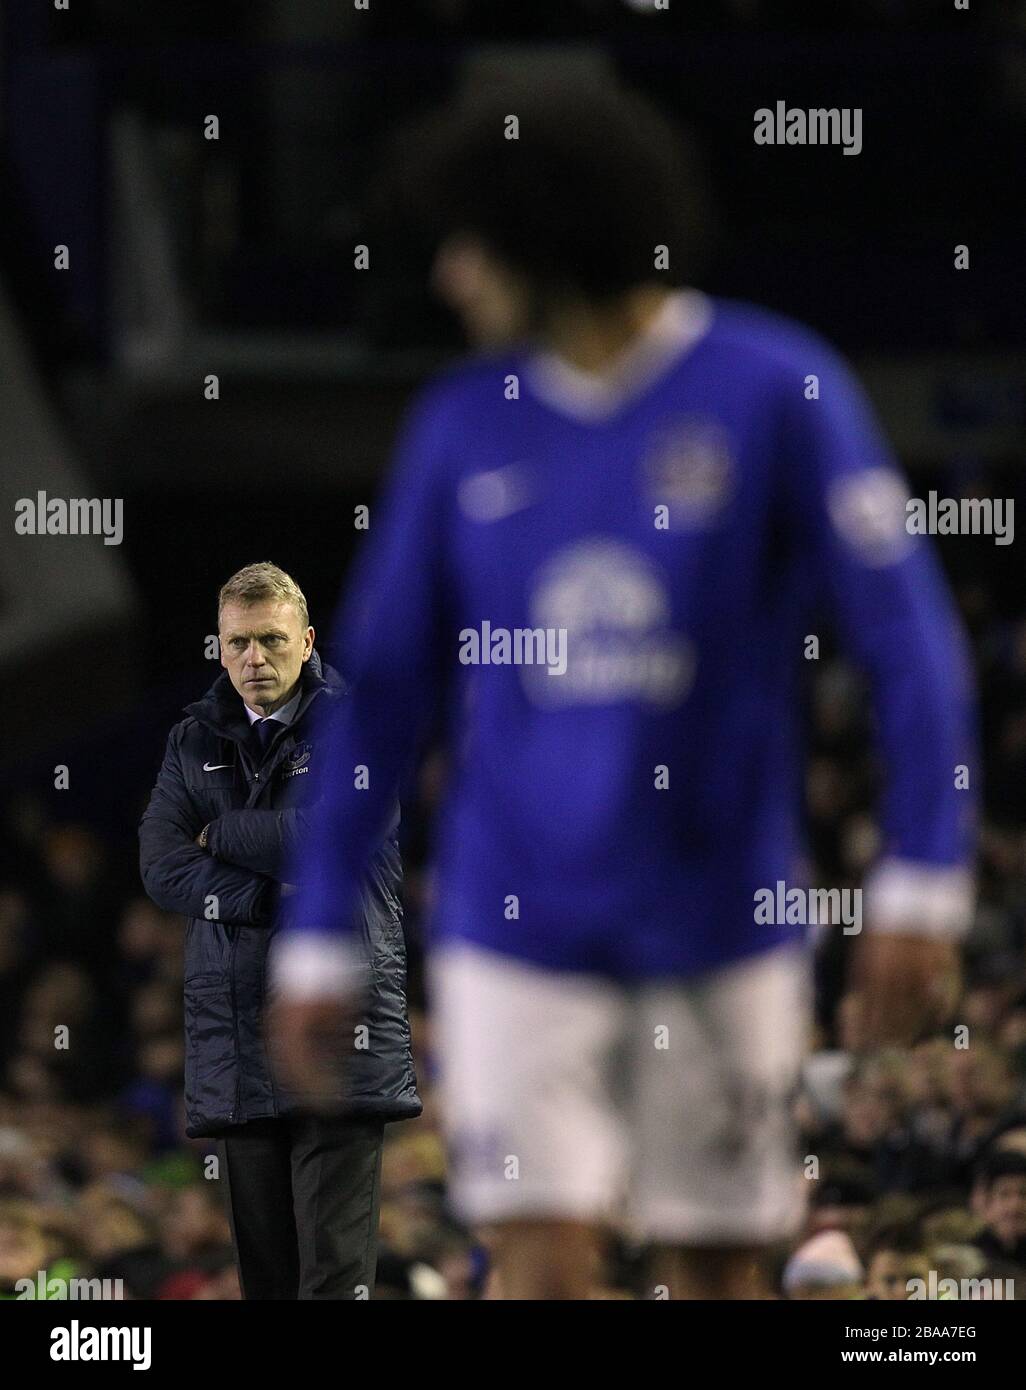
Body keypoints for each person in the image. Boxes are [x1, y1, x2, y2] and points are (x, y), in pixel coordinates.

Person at [270, 79, 976, 1299]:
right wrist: (318, 933)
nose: (450, 278)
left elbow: (907, 643)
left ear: (547, 237)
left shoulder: (775, 389)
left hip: (724, 917)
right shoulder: (460, 426)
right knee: (536, 1267)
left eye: (471, 244)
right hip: (512, 921)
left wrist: (922, 879)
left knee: (716, 1269)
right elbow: (379, 696)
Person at [139, 563, 420, 1298]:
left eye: (270, 639)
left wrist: (221, 830)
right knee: (267, 1284)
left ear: (308, 640)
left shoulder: (356, 723)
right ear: (219, 646)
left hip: (338, 1033)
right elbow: (162, 867)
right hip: (234, 1039)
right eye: (236, 643)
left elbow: (343, 829)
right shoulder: (189, 738)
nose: (252, 659)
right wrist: (268, 898)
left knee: (331, 1283)